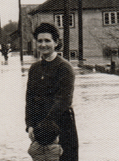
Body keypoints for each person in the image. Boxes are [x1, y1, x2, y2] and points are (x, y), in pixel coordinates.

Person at [26, 23, 78, 161]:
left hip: (61, 125)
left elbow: (63, 101)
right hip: (39, 127)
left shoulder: (64, 67)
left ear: (56, 42)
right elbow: (29, 99)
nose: (43, 44)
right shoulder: (34, 68)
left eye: (47, 40)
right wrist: (30, 125)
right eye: (40, 40)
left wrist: (47, 128)